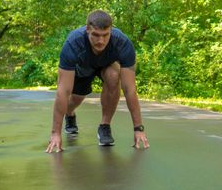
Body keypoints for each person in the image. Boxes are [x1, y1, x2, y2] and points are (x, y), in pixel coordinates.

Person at [46, 10, 149, 153]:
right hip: (83, 67)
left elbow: (129, 89)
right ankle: (69, 114)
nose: (101, 41)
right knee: (75, 99)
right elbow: (63, 91)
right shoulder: (73, 43)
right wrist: (55, 133)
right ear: (87, 29)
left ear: (111, 31)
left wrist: (139, 129)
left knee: (114, 75)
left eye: (105, 35)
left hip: (107, 65)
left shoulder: (123, 43)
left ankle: (105, 126)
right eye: (95, 35)